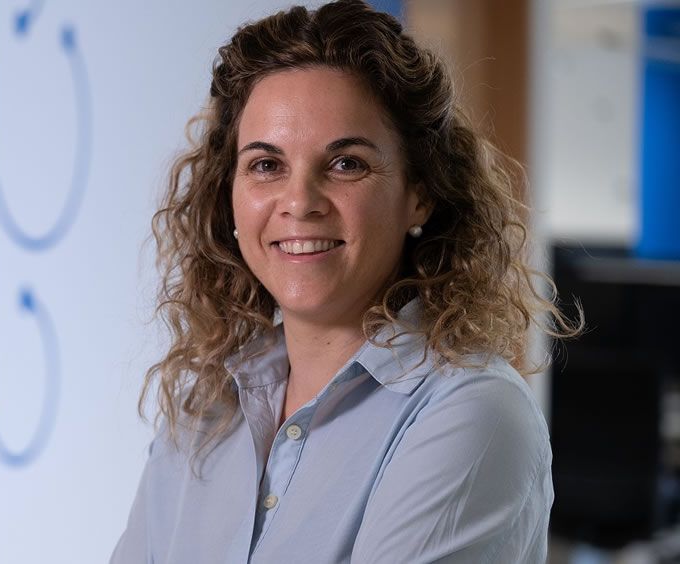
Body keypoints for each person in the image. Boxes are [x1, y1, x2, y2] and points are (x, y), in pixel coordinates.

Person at [110, 1, 582, 562]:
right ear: (228, 194)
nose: (300, 202)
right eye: (266, 165)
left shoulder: (471, 414)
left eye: (346, 164)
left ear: (419, 193)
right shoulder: (204, 415)